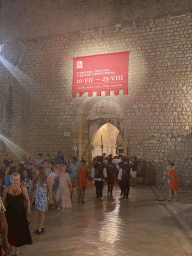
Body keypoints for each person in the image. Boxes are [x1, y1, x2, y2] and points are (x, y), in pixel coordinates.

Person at [2, 172, 32, 255]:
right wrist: (2, 215)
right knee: (10, 232)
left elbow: (27, 200)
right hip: (10, 214)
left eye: (17, 180)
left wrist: (28, 209)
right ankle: (8, 248)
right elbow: (3, 204)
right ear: (11, 180)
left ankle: (16, 252)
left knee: (19, 232)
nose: (15, 181)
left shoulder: (23, 188)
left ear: (19, 181)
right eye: (14, 180)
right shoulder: (6, 190)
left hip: (21, 214)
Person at [34, 167, 53, 235]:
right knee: (39, 213)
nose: (36, 172)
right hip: (37, 198)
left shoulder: (47, 179)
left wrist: (50, 199)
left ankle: (39, 228)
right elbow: (36, 188)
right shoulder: (37, 179)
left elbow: (50, 189)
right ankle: (41, 226)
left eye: (37, 170)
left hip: (43, 198)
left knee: (42, 213)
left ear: (40, 171)